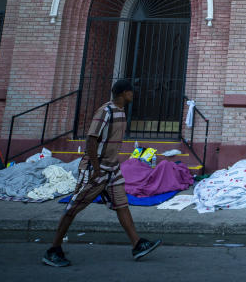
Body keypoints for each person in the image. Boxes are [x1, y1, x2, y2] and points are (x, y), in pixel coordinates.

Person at [43, 79, 162, 267]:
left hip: (112, 169)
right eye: (131, 92)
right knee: (73, 208)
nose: (133, 95)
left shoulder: (121, 111)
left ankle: (137, 244)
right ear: (123, 93)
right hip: (95, 169)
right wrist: (96, 170)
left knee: (122, 205)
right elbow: (91, 140)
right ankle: (53, 249)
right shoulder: (105, 111)